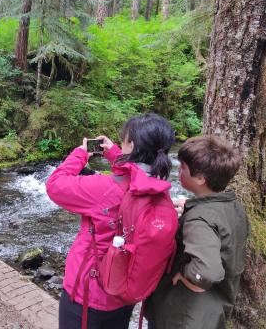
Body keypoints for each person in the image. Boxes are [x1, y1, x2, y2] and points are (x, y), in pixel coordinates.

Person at [46, 113, 176, 329]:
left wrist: (80, 154)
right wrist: (115, 153)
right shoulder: (160, 188)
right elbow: (134, 176)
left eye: (124, 140)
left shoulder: (104, 189)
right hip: (125, 292)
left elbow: (55, 185)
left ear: (131, 144)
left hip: (87, 295)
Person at [145, 135, 250, 329]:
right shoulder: (233, 205)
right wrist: (192, 207)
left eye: (183, 168)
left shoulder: (199, 220)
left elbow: (207, 272)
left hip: (184, 315)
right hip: (213, 310)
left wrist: (186, 275)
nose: (179, 172)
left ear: (200, 178)